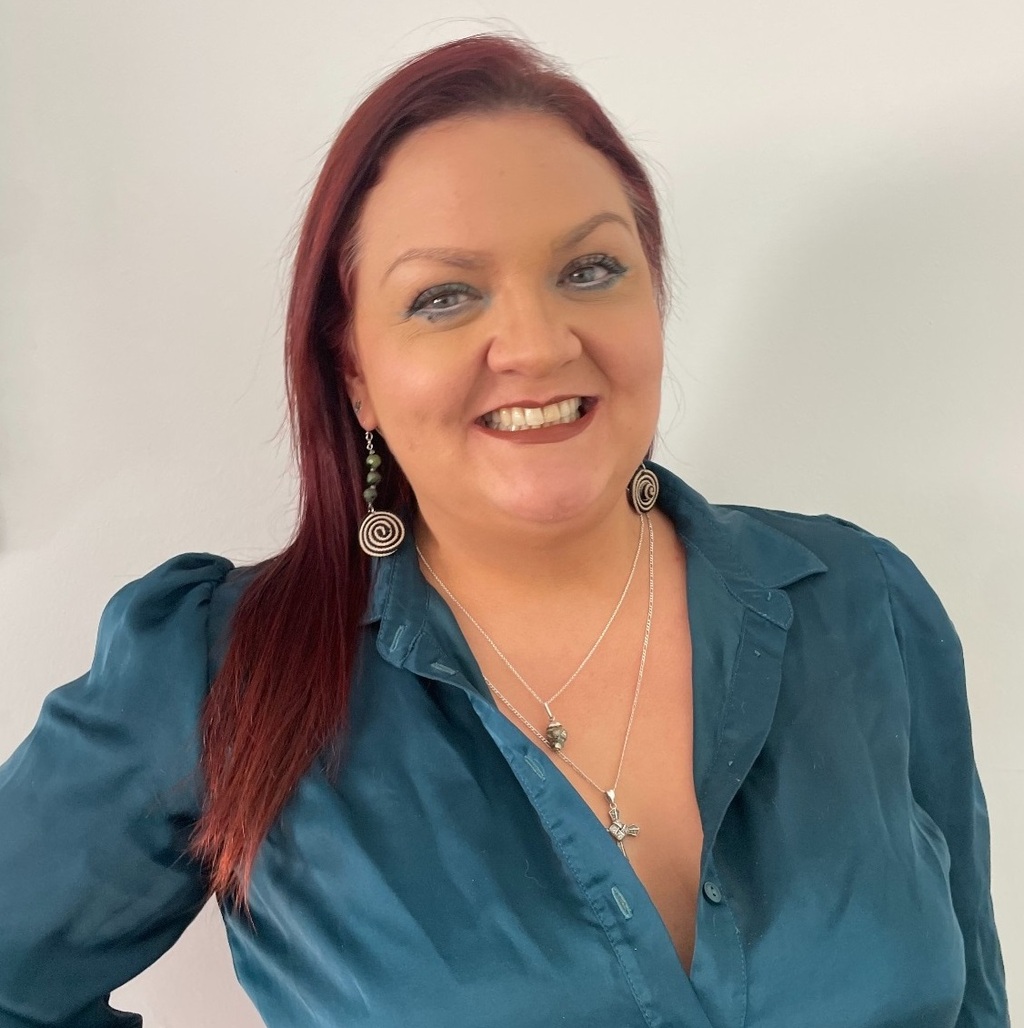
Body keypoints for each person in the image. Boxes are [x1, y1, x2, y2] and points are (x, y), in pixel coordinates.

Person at [0, 32, 1008, 1028]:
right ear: (355, 373)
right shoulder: (214, 671)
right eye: (444, 296)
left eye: (590, 270)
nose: (535, 344)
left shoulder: (861, 603)